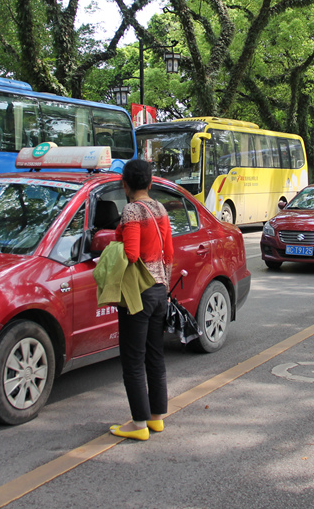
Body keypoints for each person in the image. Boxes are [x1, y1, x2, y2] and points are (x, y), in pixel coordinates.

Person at [109, 159, 174, 441]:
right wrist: (164, 285)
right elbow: (169, 253)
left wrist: (115, 243)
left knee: (133, 360)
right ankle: (156, 418)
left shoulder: (131, 211)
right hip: (159, 291)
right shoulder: (160, 209)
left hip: (139, 293)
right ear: (149, 183)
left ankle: (138, 424)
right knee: (155, 356)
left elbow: (132, 254)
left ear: (125, 184)